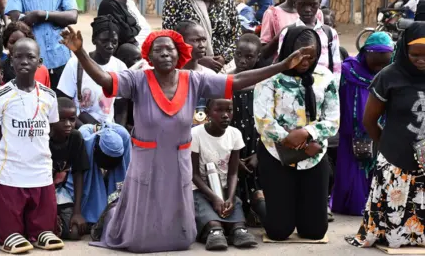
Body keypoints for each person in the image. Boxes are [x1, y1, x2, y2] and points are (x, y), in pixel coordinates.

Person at [60, 25, 312, 252]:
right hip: (146, 160)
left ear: (179, 53)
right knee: (138, 240)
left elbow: (235, 81)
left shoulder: (193, 79)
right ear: (149, 55)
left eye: (170, 49)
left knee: (179, 239)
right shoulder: (138, 79)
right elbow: (105, 80)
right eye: (158, 50)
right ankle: (115, 214)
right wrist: (81, 52)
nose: (165, 53)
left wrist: (281, 65)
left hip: (178, 159)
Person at [254, 26, 339, 241]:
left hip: (313, 152)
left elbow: (332, 120)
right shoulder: (270, 76)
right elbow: (263, 120)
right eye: (299, 55)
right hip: (277, 153)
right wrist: (286, 138)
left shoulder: (325, 77)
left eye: (310, 56)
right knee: (279, 231)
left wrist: (307, 133)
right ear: (288, 50)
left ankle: (300, 211)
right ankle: (259, 202)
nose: (304, 61)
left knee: (314, 231)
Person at [345, 22, 425, 248]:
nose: (421, 60)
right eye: (415, 55)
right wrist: (387, 148)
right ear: (404, 51)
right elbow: (369, 120)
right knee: (394, 207)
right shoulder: (389, 76)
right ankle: (394, 235)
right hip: (395, 157)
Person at [0, 38, 63, 254]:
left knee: (44, 220)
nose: (24, 61)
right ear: (11, 61)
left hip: (40, 168)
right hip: (10, 170)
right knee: (10, 224)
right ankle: (9, 234)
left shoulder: (49, 95)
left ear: (39, 62)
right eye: (18, 56)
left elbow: (51, 131)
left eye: (30, 57)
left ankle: (39, 232)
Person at [331, 32, 393, 216]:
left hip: (379, 130)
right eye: (376, 63)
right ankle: (349, 205)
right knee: (351, 169)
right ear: (365, 54)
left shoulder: (391, 75)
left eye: (385, 63)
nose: (380, 68)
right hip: (351, 131)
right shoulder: (347, 71)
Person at [191, 98, 257, 251]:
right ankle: (214, 230)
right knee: (207, 214)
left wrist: (231, 197)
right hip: (199, 189)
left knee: (235, 210)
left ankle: (237, 230)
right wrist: (214, 197)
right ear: (207, 113)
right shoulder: (195, 134)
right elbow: (193, 174)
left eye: (229, 110)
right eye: (219, 110)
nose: (225, 115)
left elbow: (233, 172)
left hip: (224, 187)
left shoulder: (234, 134)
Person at [57, 15, 128, 126]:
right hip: (80, 128)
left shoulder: (120, 67)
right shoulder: (75, 64)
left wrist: (117, 131)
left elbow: (121, 107)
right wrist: (92, 132)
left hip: (108, 130)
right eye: (104, 41)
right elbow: (64, 104)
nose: (110, 46)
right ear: (94, 40)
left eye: (114, 42)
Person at [5, 0, 78, 90]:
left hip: (60, 58)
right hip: (31, 61)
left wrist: (42, 15)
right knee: (34, 101)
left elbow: (72, 17)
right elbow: (16, 19)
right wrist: (58, 14)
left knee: (61, 100)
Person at [228, 34, 266, 227]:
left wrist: (259, 154)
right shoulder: (225, 82)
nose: (242, 60)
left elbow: (268, 124)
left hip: (256, 145)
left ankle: (256, 209)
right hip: (231, 146)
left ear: (258, 57)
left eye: (249, 56)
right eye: (239, 54)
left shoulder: (263, 85)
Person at [162, 0, 241, 73]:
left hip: (225, 67)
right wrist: (197, 60)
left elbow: (237, 34)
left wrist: (224, 58)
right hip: (188, 68)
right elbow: (169, 38)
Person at [276, 0, 341, 85]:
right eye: (302, 5)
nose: (307, 9)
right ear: (295, 3)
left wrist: (333, 89)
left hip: (323, 90)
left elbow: (336, 67)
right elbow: (284, 64)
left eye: (313, 5)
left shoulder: (330, 33)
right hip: (295, 90)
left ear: (319, 3)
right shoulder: (287, 33)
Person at [78, 122, 130, 240]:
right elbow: (80, 178)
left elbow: (127, 169)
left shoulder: (123, 136)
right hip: (92, 167)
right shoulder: (85, 137)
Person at [50, 97, 89, 240]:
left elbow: (78, 173)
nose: (67, 124)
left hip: (60, 191)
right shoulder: (43, 138)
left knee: (74, 233)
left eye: (72, 120)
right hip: (40, 192)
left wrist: (77, 212)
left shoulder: (75, 137)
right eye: (61, 120)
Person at [176, 20, 216, 126]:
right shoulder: (170, 75)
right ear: (181, 42)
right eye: (196, 40)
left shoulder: (210, 75)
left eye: (204, 40)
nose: (202, 45)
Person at [1, 21, 51, 87]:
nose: (17, 45)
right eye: (12, 42)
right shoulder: (0, 69)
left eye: (21, 41)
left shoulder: (42, 70)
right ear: (6, 44)